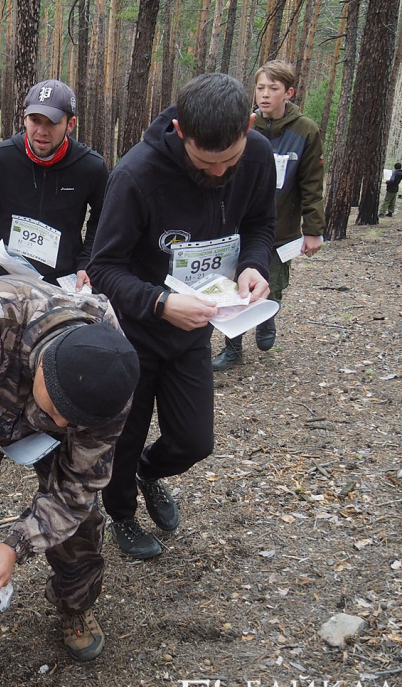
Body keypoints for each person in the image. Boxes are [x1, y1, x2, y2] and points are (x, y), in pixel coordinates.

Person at [87, 73, 274, 560]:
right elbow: (103, 267)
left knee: (194, 440)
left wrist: (254, 264)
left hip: (196, 327)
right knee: (124, 437)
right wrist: (160, 303)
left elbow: (259, 222)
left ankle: (152, 472)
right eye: (204, 162)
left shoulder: (256, 155)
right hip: (135, 331)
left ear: (248, 126)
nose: (218, 174)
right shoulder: (137, 175)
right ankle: (122, 514)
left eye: (228, 162)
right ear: (179, 130)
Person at [0, 276, 138, 661]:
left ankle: (75, 605)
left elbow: (77, 486)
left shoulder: (112, 380)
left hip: (44, 442)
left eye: (75, 420)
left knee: (81, 526)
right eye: (56, 410)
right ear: (42, 369)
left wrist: (14, 547)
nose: (63, 424)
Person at [213, 60, 323, 370]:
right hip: (237, 225)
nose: (265, 95)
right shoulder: (244, 125)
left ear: (288, 92)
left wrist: (313, 229)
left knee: (271, 283)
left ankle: (267, 318)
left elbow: (312, 183)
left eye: (272, 89)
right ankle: (232, 348)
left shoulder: (306, 131)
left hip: (280, 229)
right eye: (260, 88)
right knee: (234, 285)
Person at [0, 79, 108, 288]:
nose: (41, 131)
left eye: (52, 122)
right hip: (9, 278)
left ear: (70, 124)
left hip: (64, 281)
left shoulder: (90, 166)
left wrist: (86, 262)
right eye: (35, 120)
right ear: (24, 119)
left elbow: (103, 217)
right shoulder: (0, 158)